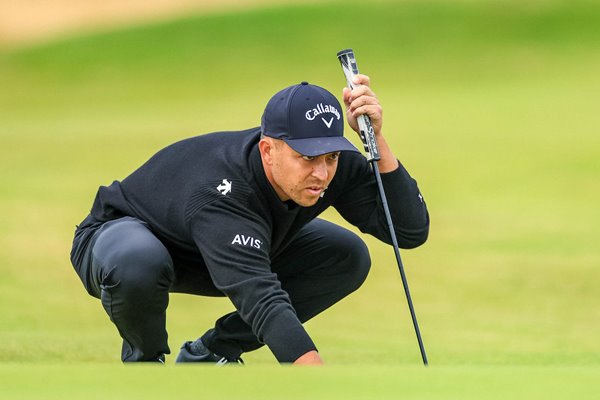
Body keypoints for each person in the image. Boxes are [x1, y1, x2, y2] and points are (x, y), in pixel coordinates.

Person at [69, 75, 429, 365]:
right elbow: (261, 297)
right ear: (268, 149)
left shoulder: (332, 166)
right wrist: (317, 382)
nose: (321, 172)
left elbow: (409, 231)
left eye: (331, 156)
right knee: (139, 260)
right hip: (117, 242)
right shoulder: (222, 191)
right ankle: (146, 367)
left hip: (221, 248)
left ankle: (211, 354)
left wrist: (376, 139)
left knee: (347, 255)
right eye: (307, 157)